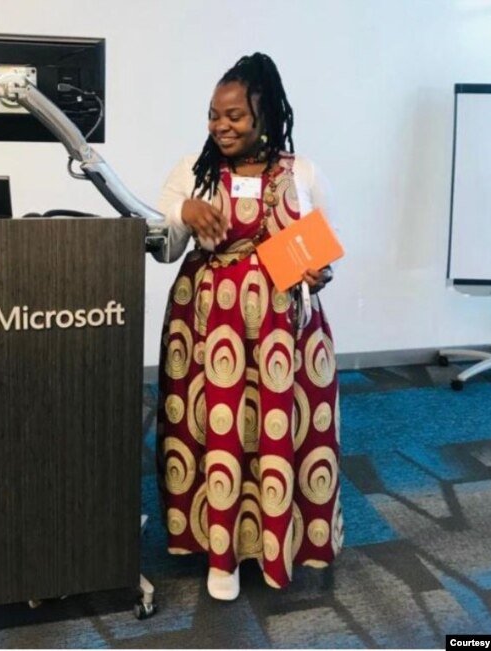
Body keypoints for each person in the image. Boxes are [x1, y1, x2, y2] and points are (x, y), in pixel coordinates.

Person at [155, 52, 342, 601]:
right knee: (218, 433)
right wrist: (182, 212)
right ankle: (222, 556)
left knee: (278, 433)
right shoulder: (193, 169)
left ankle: (275, 545)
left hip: (286, 332)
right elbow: (163, 249)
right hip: (209, 329)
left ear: (265, 113)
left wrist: (317, 271)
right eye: (214, 114)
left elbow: (319, 251)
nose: (221, 125)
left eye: (234, 115)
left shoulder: (302, 171)